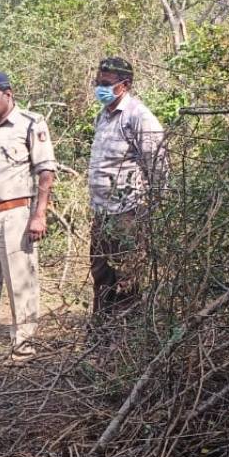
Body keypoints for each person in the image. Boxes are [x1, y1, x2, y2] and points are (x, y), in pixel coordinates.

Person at [0, 73, 57, 358]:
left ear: (8, 94)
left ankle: (23, 344)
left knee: (20, 282)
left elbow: (46, 172)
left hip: (15, 214)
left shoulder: (30, 123)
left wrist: (39, 215)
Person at [88, 57, 167, 315]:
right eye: (98, 82)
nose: (101, 88)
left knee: (126, 276)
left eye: (107, 83)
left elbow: (157, 165)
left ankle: (126, 331)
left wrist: (153, 210)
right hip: (101, 213)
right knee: (101, 274)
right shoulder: (103, 116)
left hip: (128, 213)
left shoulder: (139, 117)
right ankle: (101, 329)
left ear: (125, 84)